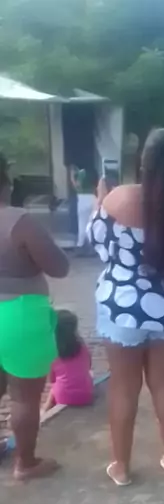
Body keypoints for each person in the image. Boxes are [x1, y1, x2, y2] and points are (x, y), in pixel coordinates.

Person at [88, 128, 164, 486]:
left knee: (124, 388)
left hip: (122, 308)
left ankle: (122, 467)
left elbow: (98, 244)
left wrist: (99, 201)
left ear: (143, 162)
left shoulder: (119, 199)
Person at [0, 152, 69, 480]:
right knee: (24, 397)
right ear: (6, 181)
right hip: (20, 314)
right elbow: (59, 267)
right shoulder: (19, 221)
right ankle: (25, 463)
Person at [42, 309, 94, 412]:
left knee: (56, 386)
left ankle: (44, 410)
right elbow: (88, 366)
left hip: (62, 397)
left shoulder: (53, 353)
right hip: (86, 396)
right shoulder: (83, 348)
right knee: (89, 375)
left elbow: (51, 380)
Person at [70, 165, 96, 252]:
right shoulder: (93, 172)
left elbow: (78, 186)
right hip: (93, 198)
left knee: (82, 223)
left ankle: (80, 245)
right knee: (91, 223)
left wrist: (72, 178)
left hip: (83, 199)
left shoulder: (82, 173)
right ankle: (92, 245)